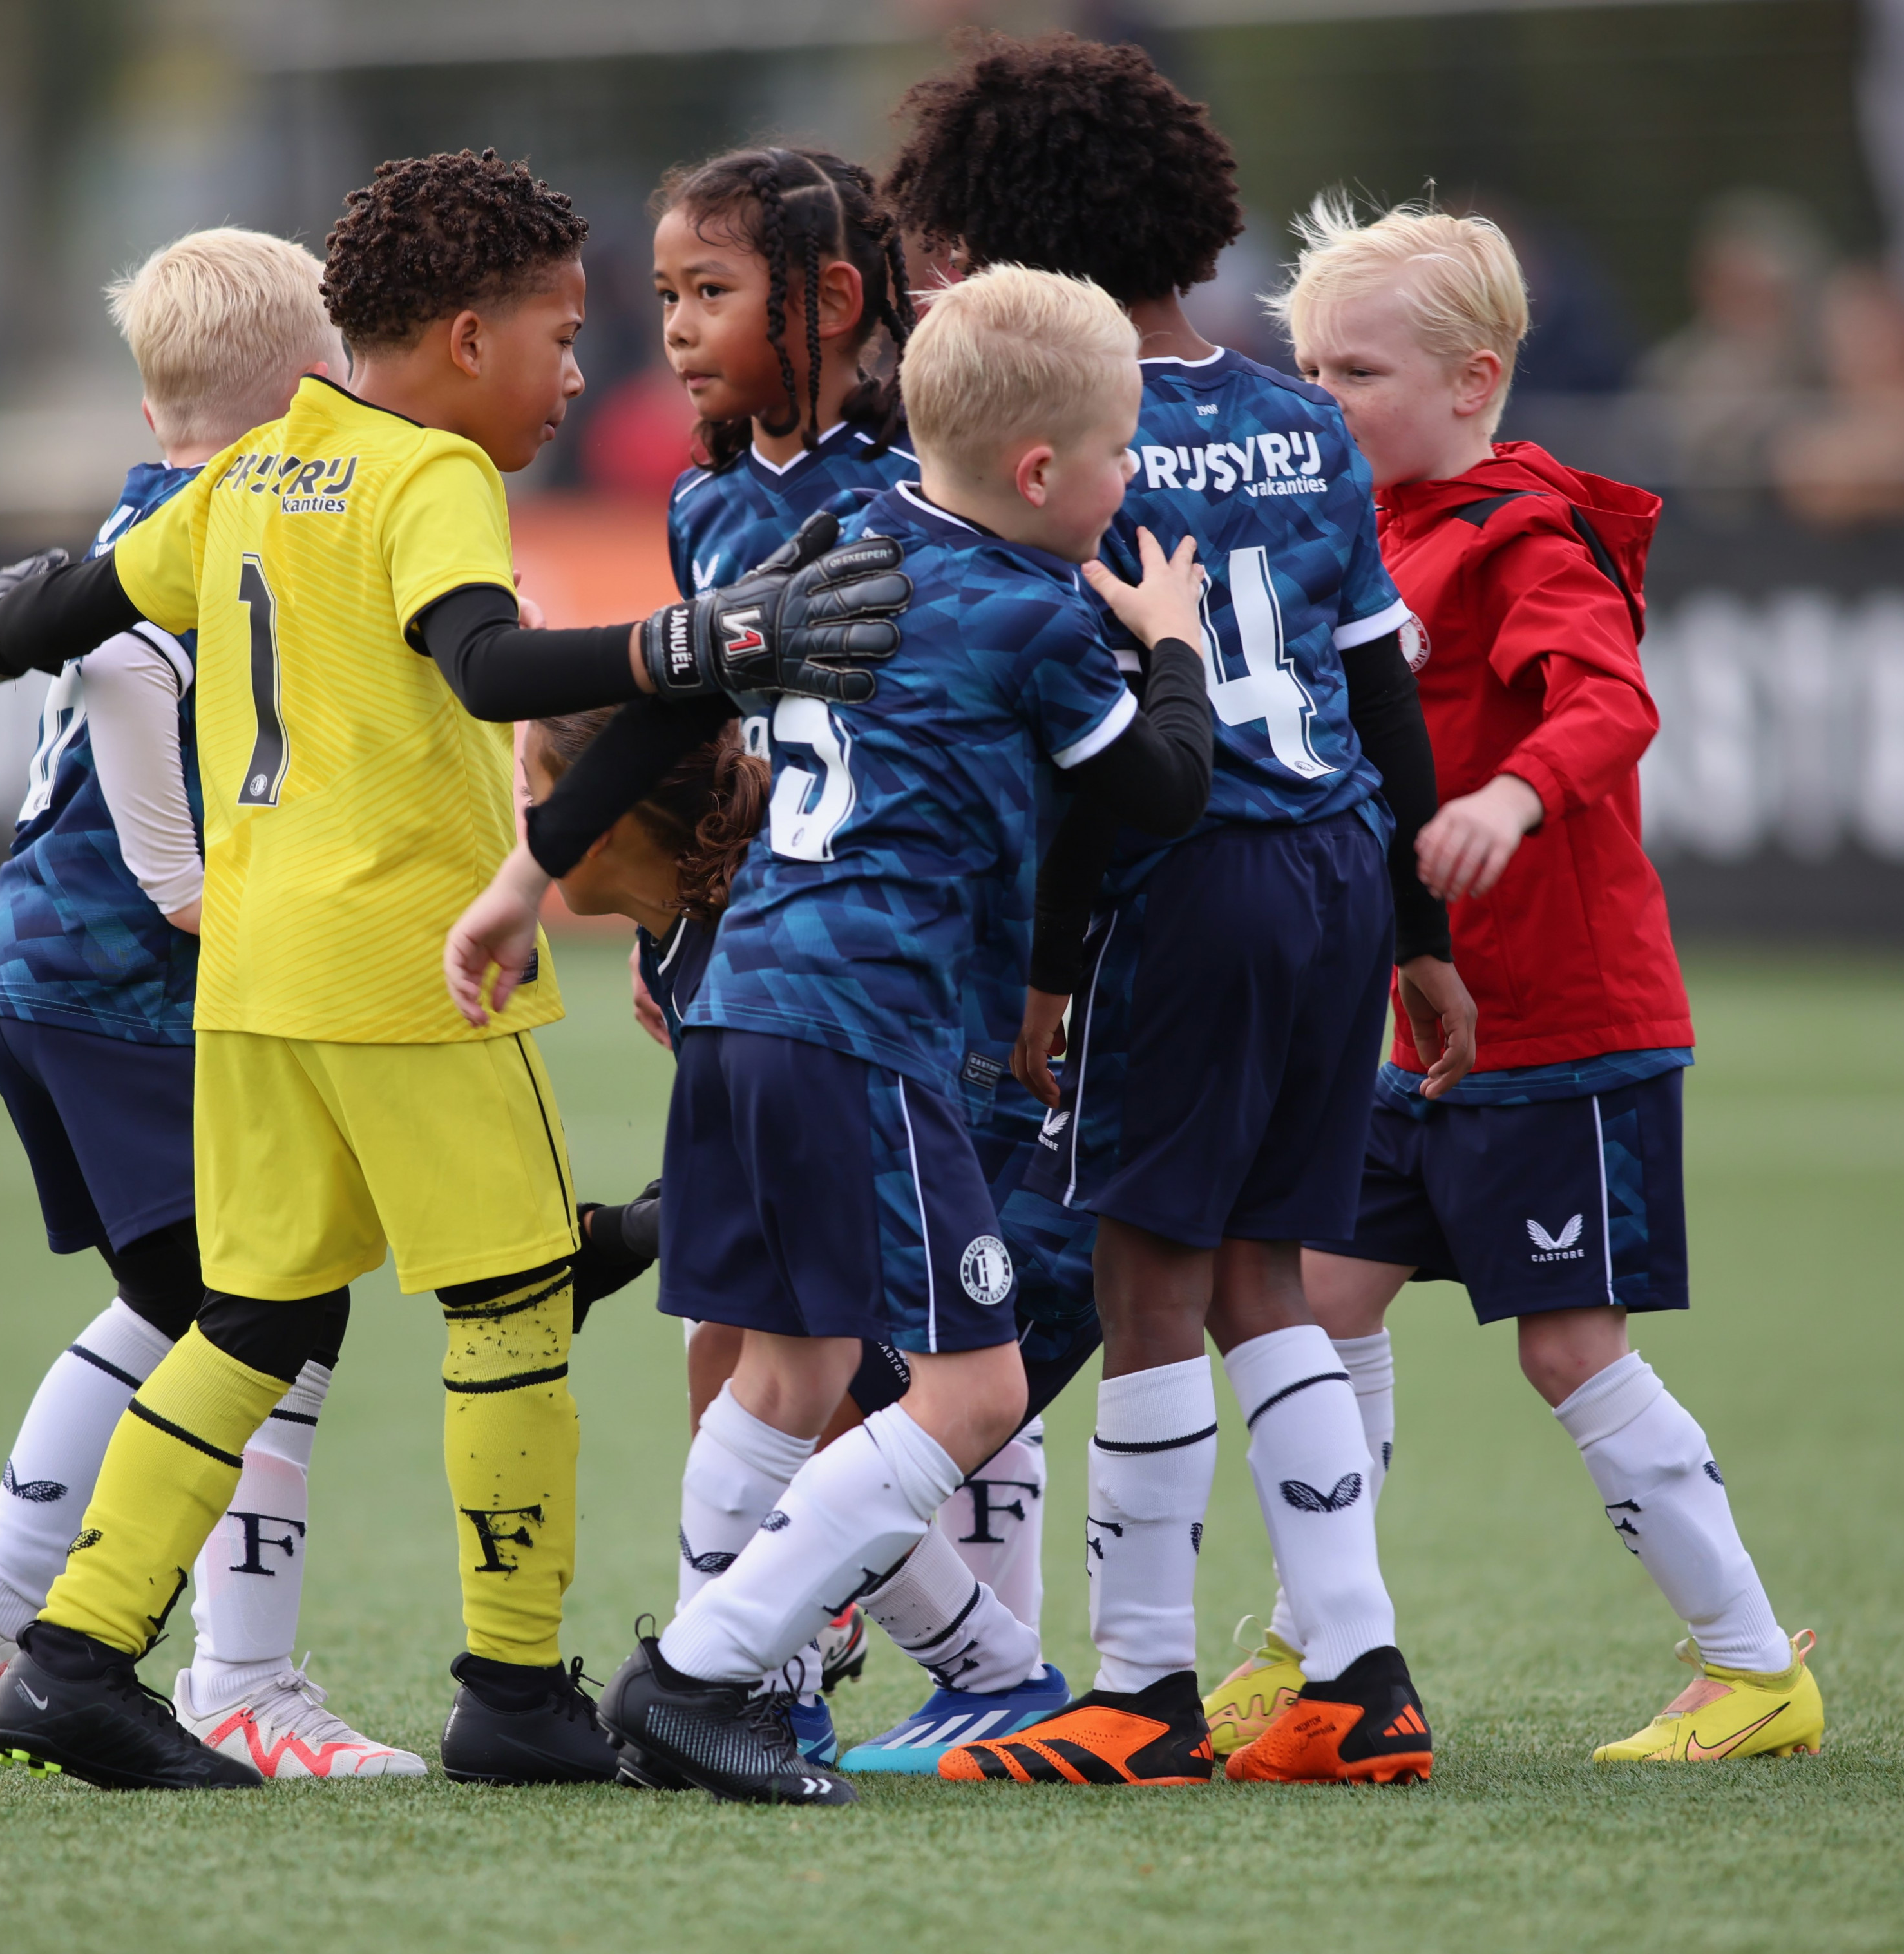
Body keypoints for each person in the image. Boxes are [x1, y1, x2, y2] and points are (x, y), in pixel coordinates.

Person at [0, 149, 913, 1792]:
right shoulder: (426, 476)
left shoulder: (261, 460)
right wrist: (705, 639)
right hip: (404, 962)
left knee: (255, 1309)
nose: (581, 371)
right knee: (514, 1301)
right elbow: (486, 666)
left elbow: (97, 588)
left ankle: (73, 1654)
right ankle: (515, 1688)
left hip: (251, 971)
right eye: (558, 330)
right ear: (466, 339)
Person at [446, 263, 1217, 1804]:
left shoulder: (832, 546)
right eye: (1122, 454)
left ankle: (743, 1691)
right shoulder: (1037, 617)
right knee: (975, 1391)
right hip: (866, 1033)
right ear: (1044, 472)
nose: (1132, 484)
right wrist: (1173, 642)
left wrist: (529, 874)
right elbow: (1168, 791)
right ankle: (698, 1674)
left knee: (788, 1373)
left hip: (738, 1006)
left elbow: (669, 704)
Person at [884, 32, 1468, 1790]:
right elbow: (1383, 695)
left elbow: (1096, 758)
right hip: (1337, 875)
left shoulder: (1067, 435)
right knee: (1261, 1275)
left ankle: (1136, 1691)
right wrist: (1423, 935)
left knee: (1146, 1278)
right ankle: (1359, 1672)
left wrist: (1051, 975)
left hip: (1187, 879)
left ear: (1006, 235)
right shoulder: (1298, 413)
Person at [1276, 193, 1823, 1765]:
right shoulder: (1360, 532)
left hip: (1564, 1025)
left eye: (1357, 374)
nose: (1326, 404)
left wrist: (1512, 794)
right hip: (1417, 1026)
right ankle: (1329, 1651)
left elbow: (1612, 700)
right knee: (1315, 1307)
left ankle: (1751, 1665)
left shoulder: (1526, 529)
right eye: (1310, 372)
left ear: (1474, 378)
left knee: (1568, 1347)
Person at [0, 227, 422, 1779]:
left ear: (157, 413)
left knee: (172, 1303)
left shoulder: (160, 524)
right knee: (275, 1309)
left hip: (53, 984)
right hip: (114, 987)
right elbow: (169, 859)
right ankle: (239, 1675)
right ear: (316, 398)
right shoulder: (186, 562)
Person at [646, 144, 1072, 1770]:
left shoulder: (925, 471)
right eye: (666, 295)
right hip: (785, 956)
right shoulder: (701, 501)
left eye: (710, 293)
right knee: (758, 1344)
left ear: (833, 300)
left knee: (963, 1346)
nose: (677, 330)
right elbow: (715, 738)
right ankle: (787, 1675)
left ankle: (971, 1662)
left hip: (943, 974)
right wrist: (673, 908)